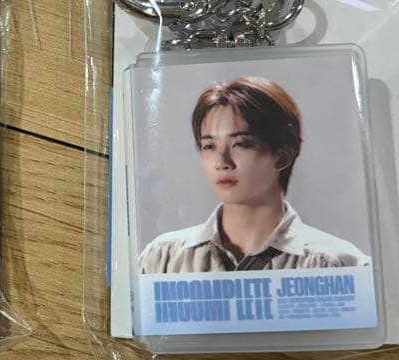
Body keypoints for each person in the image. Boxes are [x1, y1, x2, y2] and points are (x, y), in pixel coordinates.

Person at [138, 76, 371, 274]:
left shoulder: (339, 265)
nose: (222, 163)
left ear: (283, 155)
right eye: (209, 146)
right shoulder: (162, 260)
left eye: (240, 144)